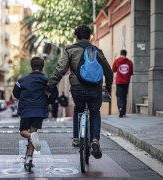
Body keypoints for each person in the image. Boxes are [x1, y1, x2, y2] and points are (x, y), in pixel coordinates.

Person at [46, 25, 113, 159]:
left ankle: (77, 138)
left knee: (79, 109)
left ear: (76, 37)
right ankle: (95, 140)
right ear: (90, 37)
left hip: (77, 88)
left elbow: (60, 70)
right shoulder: (97, 51)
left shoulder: (70, 50)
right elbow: (109, 72)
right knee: (95, 112)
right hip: (95, 89)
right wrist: (108, 87)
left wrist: (49, 86)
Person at [12, 57, 58, 165]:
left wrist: (22, 97)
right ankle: (29, 158)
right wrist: (47, 101)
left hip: (26, 109)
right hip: (39, 110)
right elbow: (54, 93)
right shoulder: (46, 80)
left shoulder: (22, 80)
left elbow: (15, 93)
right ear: (42, 67)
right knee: (34, 133)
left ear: (31, 67)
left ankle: (30, 147)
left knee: (24, 132)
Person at [112, 50, 133, 118]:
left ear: (120, 54)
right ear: (126, 54)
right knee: (124, 97)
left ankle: (120, 108)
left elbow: (113, 70)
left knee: (119, 96)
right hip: (126, 82)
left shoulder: (117, 61)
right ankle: (123, 112)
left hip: (119, 82)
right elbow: (131, 72)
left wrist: (114, 60)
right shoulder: (130, 62)